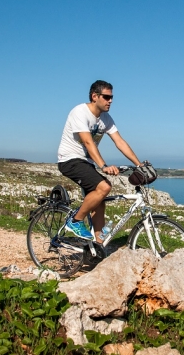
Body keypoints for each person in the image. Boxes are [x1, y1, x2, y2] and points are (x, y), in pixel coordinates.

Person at [57, 80, 142, 242]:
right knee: (104, 187)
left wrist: (139, 165)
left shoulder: (106, 118)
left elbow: (120, 142)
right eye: (106, 97)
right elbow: (88, 142)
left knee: (99, 202)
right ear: (94, 96)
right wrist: (103, 166)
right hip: (70, 160)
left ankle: (98, 244)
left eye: (111, 97)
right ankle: (75, 221)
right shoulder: (79, 112)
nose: (110, 101)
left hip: (86, 163)